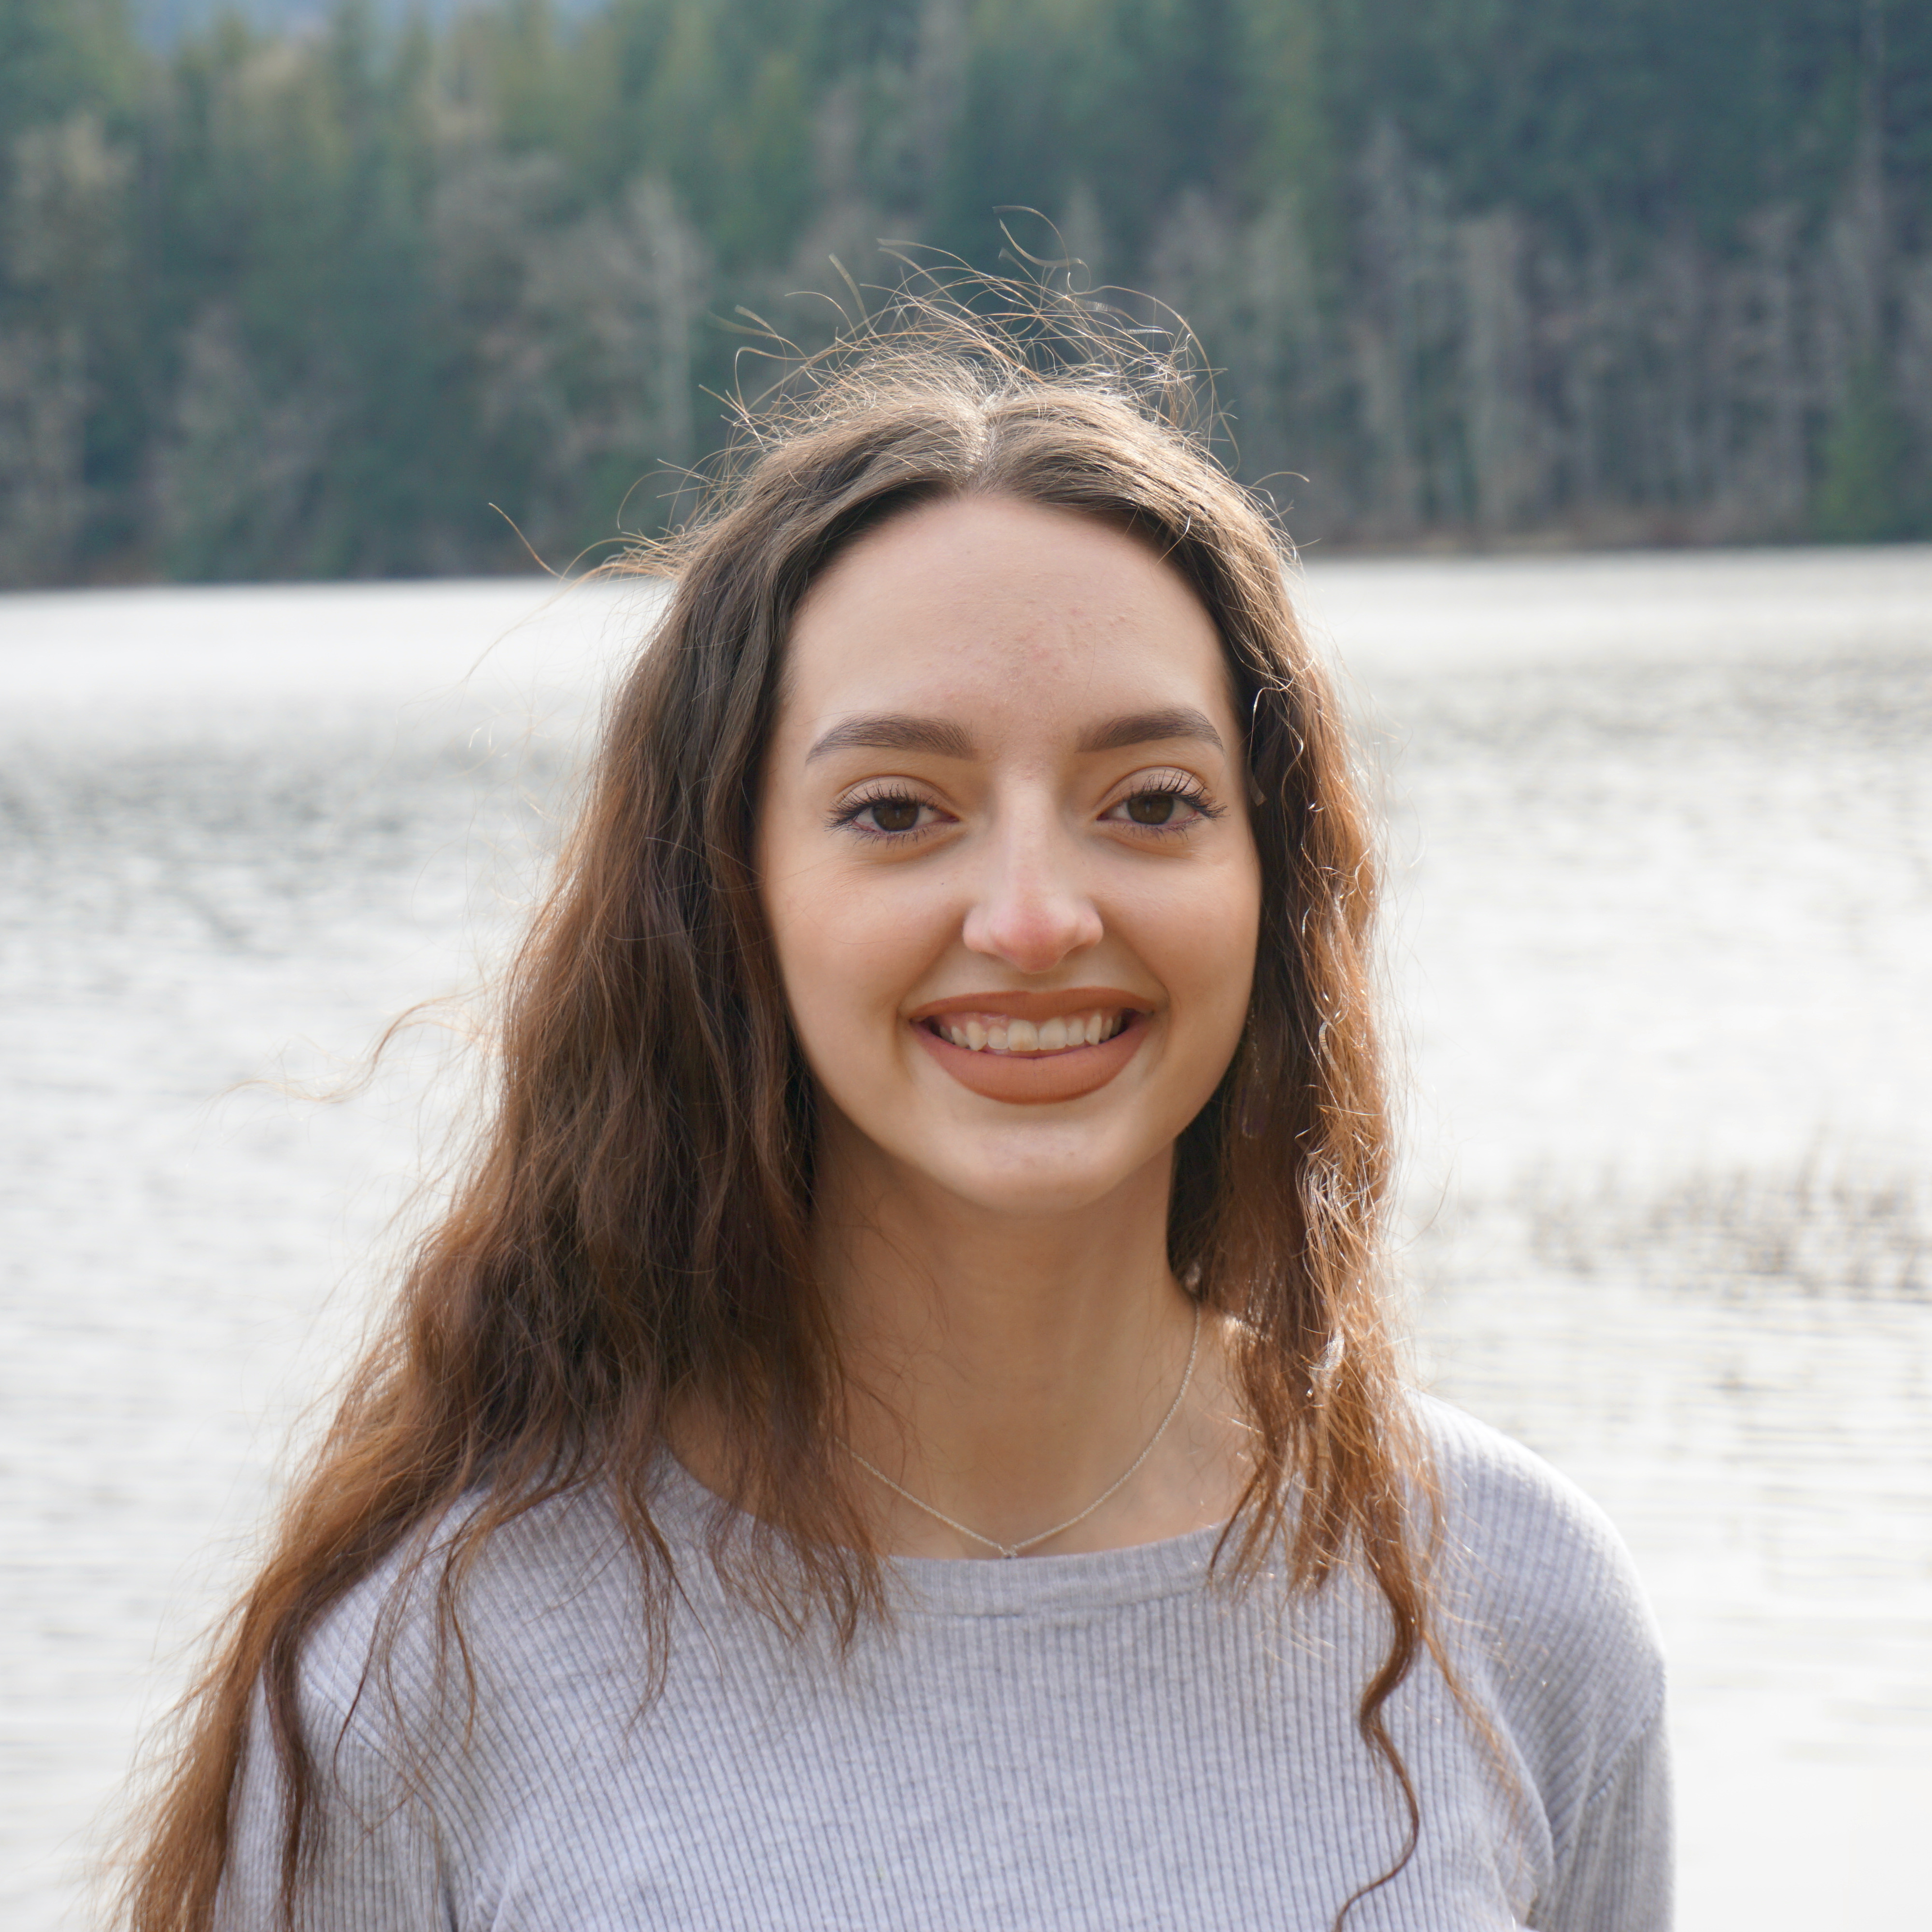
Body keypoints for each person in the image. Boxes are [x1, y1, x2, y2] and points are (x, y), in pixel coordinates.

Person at [119, 298, 1669, 1932]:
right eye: (896, 811)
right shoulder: (434, 1674)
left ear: (1276, 884)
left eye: (1151, 802)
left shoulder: (1518, 1608)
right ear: (730, 898)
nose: (1033, 916)